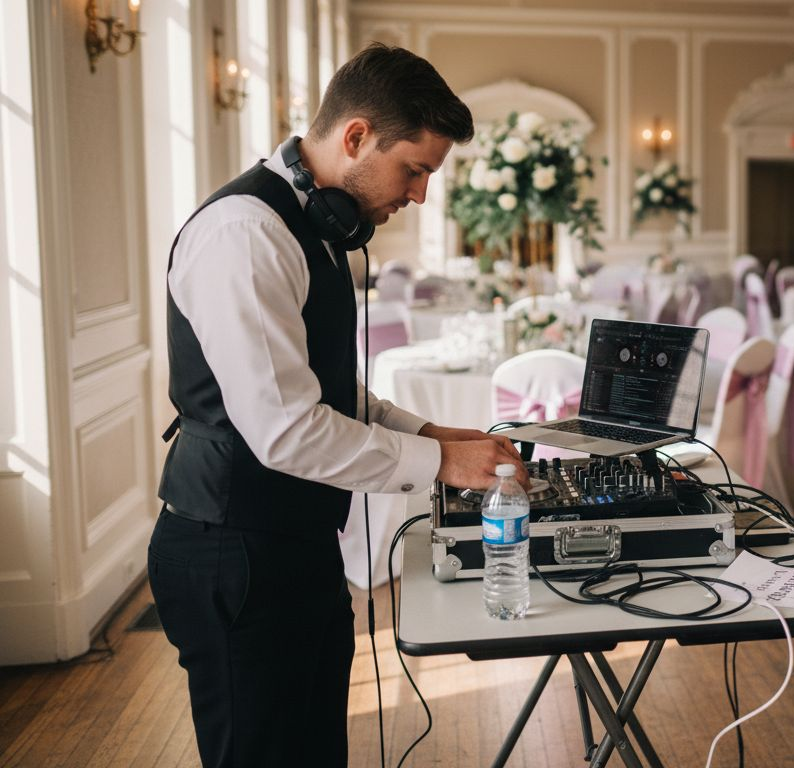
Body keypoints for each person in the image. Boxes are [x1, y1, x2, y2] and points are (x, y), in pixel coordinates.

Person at [148, 43, 525, 767]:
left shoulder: (316, 227)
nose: (418, 195)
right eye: (413, 169)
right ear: (355, 137)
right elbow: (286, 430)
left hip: (295, 543)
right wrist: (440, 461)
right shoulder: (245, 233)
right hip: (234, 548)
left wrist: (428, 429)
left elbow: (324, 390)